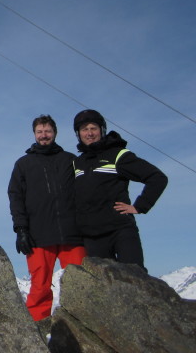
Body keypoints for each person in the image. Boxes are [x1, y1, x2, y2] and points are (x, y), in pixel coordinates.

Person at [8, 115, 86, 322]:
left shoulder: (70, 160)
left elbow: (85, 192)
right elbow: (16, 198)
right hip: (38, 234)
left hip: (72, 233)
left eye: (48, 131)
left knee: (80, 284)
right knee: (40, 286)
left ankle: (83, 330)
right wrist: (21, 230)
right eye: (40, 132)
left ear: (55, 133)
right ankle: (39, 331)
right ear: (34, 134)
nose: (44, 135)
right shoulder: (23, 164)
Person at [72, 109, 168, 271]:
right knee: (104, 289)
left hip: (120, 231)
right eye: (84, 129)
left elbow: (157, 178)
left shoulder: (118, 155)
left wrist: (140, 206)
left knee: (136, 281)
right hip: (92, 237)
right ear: (78, 133)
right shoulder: (78, 163)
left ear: (102, 130)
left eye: (93, 128)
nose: (89, 133)